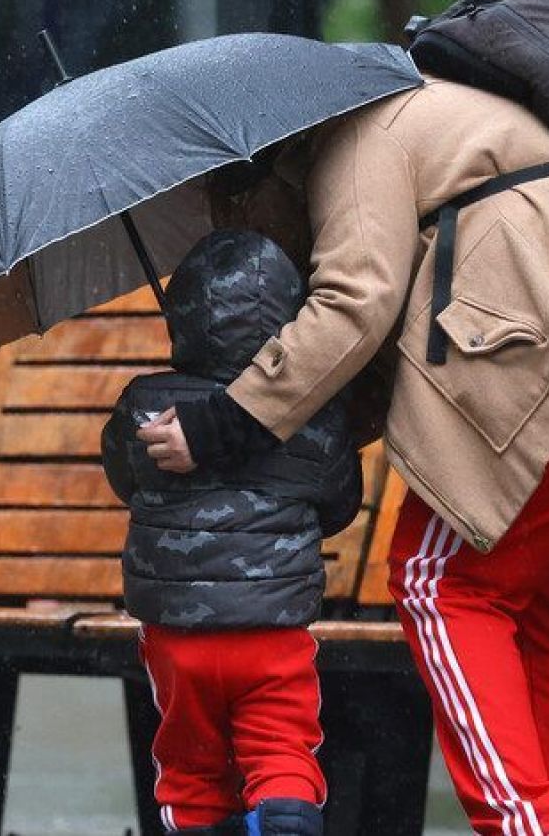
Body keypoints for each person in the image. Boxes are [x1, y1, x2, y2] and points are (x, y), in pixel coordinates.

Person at [137, 77, 549, 836]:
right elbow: (372, 360)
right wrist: (286, 448)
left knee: (438, 580)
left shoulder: (355, 137)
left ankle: (528, 824)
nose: (266, 254)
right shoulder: (438, 117)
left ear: (262, 173)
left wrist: (225, 425)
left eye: (244, 221)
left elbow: (355, 303)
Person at [100, 228, 363, 836]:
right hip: (272, 632)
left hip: (177, 638)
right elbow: (339, 504)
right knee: (281, 750)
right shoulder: (307, 411)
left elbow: (124, 479)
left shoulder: (142, 404)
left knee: (190, 767)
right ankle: (285, 821)